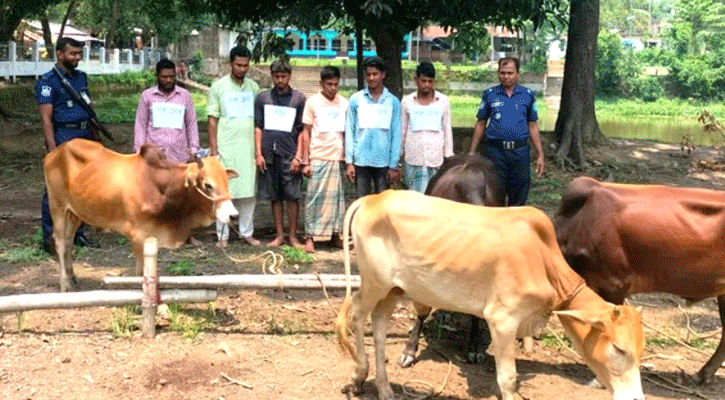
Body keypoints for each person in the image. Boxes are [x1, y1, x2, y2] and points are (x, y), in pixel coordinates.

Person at [36, 37, 99, 254]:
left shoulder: (81, 78)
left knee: (83, 186)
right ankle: (51, 238)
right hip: (64, 135)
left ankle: (78, 234)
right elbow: (46, 120)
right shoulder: (47, 81)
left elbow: (88, 107)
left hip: (84, 134)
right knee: (56, 188)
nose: (77, 58)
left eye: (78, 54)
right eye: (72, 53)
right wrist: (53, 152)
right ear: (60, 54)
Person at [468, 57, 544, 206]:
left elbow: (533, 125)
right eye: (502, 73)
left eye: (510, 73)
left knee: (519, 196)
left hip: (520, 153)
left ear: (518, 74)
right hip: (495, 153)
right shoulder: (490, 94)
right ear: (498, 73)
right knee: (494, 194)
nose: (506, 76)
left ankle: (514, 227)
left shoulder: (527, 95)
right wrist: (472, 152)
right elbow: (481, 123)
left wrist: (540, 154)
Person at [207, 46, 261, 248]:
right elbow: (212, 120)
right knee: (224, 192)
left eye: (246, 65)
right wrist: (214, 152)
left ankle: (247, 233)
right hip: (226, 148)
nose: (242, 69)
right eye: (238, 65)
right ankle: (222, 235)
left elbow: (258, 121)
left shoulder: (254, 88)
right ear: (231, 63)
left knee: (248, 193)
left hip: (248, 149)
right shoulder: (218, 88)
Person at [254, 59, 307, 247]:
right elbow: (258, 127)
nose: (280, 80)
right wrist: (258, 154)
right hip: (269, 153)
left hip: (290, 153)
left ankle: (293, 236)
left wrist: (299, 156)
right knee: (274, 196)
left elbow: (302, 130)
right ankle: (279, 235)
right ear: (272, 75)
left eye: (283, 76)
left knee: (292, 196)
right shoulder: (263, 98)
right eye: (276, 76)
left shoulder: (299, 99)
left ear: (290, 76)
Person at [300, 66, 349, 253]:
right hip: (318, 156)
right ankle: (310, 237)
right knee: (314, 198)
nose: (333, 88)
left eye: (336, 84)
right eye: (329, 84)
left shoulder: (344, 103)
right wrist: (306, 160)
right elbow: (305, 132)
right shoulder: (312, 103)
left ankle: (335, 235)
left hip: (337, 157)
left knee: (337, 200)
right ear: (321, 84)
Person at [345, 56, 402, 197]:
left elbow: (396, 133)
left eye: (375, 74)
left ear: (383, 74)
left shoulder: (393, 102)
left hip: (383, 162)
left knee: (382, 205)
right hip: (361, 161)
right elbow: (349, 131)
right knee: (362, 203)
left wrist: (394, 164)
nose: (371, 78)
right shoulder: (355, 99)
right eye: (368, 75)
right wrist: (349, 162)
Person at [400, 61, 453, 192]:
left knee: (435, 197)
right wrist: (397, 158)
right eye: (423, 81)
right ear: (416, 80)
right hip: (413, 159)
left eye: (430, 81)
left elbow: (447, 128)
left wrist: (449, 154)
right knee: (414, 199)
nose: (426, 85)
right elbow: (402, 130)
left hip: (435, 159)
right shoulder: (407, 102)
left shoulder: (443, 101)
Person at [134, 58, 199, 164]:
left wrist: (194, 150)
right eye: (164, 77)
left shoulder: (185, 96)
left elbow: (191, 124)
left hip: (180, 156)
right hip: (153, 158)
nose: (168, 80)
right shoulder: (147, 96)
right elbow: (141, 125)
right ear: (157, 76)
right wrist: (139, 151)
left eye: (172, 77)